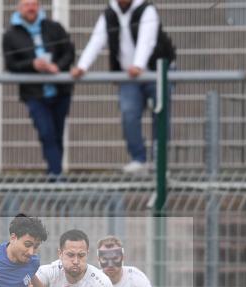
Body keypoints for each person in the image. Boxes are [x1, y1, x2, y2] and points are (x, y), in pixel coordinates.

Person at [70, 0, 176, 174]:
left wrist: (139, 64)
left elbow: (146, 40)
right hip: (129, 75)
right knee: (129, 114)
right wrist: (82, 66)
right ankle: (139, 159)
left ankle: (160, 163)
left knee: (161, 116)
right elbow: (97, 40)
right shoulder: (109, 13)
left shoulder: (146, 10)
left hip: (156, 73)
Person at [3, 0, 75, 178]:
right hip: (34, 93)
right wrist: (33, 64)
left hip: (60, 91)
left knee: (57, 134)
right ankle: (57, 176)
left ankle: (53, 173)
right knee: (46, 132)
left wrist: (57, 66)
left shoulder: (54, 27)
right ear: (19, 8)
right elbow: (11, 64)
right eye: (27, 5)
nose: (31, 8)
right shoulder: (11, 35)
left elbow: (69, 51)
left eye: (34, 4)